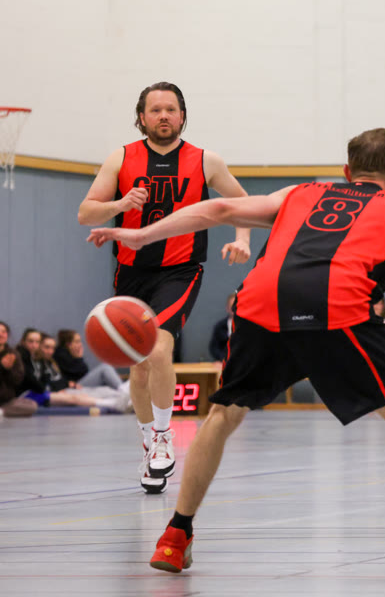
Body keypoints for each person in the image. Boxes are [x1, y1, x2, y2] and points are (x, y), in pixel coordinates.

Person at [89, 127, 385, 581]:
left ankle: (174, 537)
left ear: (346, 171)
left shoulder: (300, 194)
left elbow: (219, 209)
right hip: (338, 308)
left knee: (222, 414)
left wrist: (141, 236)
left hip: (261, 304)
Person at [78, 82, 253, 493]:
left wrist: (243, 239)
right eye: (155, 109)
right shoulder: (120, 158)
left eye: (170, 109)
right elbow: (86, 213)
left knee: (158, 348)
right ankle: (148, 440)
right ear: (141, 117)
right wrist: (120, 205)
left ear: (182, 116)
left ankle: (163, 436)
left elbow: (242, 204)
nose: (163, 116)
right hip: (130, 273)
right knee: (138, 365)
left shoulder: (205, 161)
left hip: (180, 270)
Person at [54, 329, 126, 391]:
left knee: (107, 386)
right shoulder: (61, 354)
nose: (80, 344)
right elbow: (82, 371)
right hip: (72, 388)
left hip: (78, 384)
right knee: (105, 368)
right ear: (68, 344)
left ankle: (123, 391)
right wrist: (79, 357)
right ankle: (124, 391)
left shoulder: (68, 354)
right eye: (77, 341)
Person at [208, 292, 236, 362]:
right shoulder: (220, 327)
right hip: (223, 361)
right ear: (227, 308)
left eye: (236, 307)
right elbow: (214, 347)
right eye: (231, 306)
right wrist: (223, 359)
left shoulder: (247, 326)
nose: (234, 309)